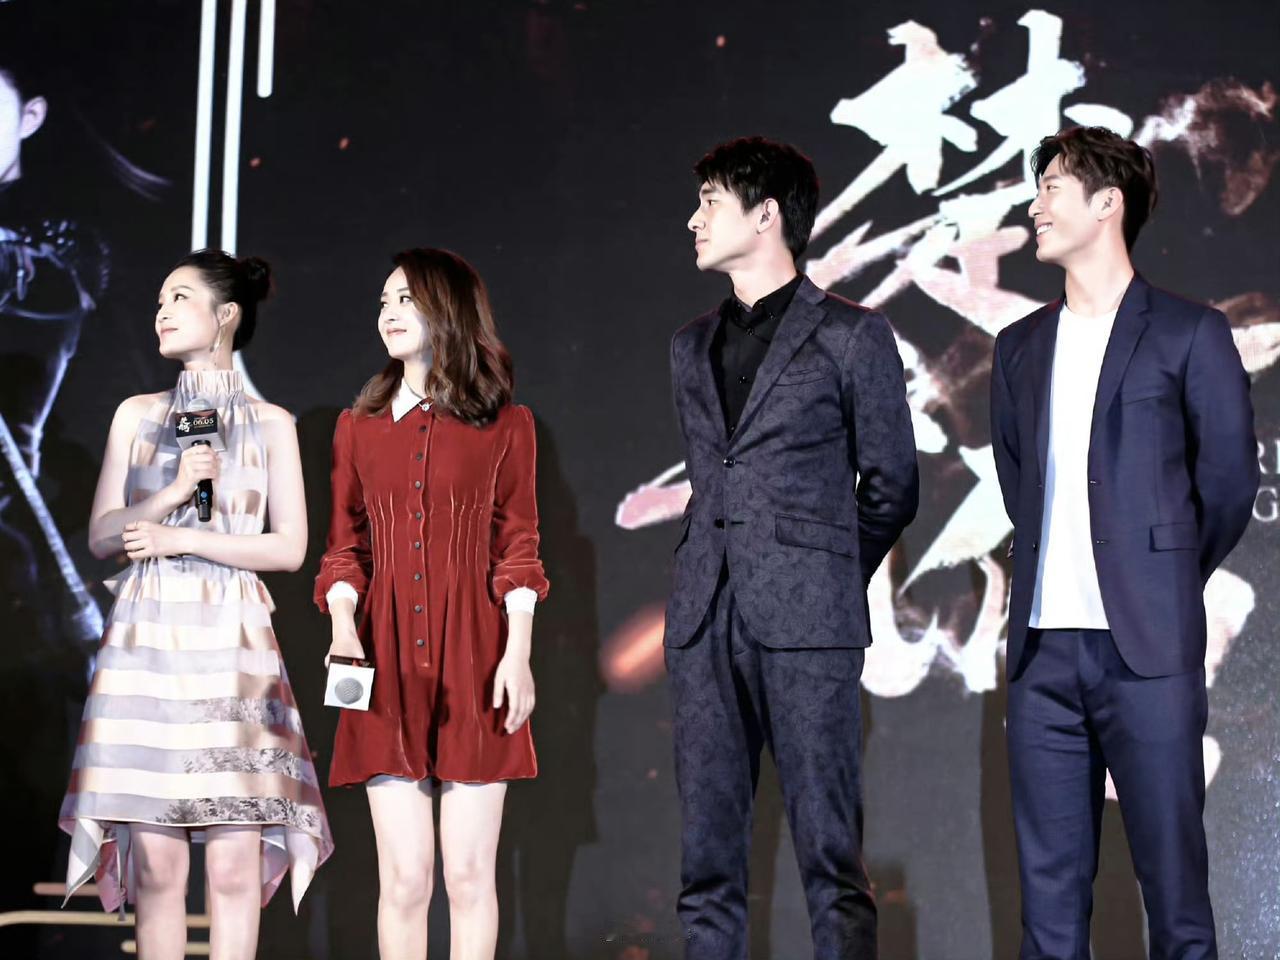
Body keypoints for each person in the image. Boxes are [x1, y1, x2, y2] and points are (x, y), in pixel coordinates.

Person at [989, 126, 1259, 959]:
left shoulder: (1189, 332)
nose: (1035, 207)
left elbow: (1227, 486)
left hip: (1146, 652)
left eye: (1052, 188)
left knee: (1175, 898)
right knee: (1048, 909)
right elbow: (1018, 482)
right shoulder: (1019, 346)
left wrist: (1159, 576)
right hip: (1042, 657)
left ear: (1107, 203)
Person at [664, 136, 919, 959]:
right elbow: (714, 478)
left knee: (830, 857)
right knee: (707, 862)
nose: (694, 219)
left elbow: (893, 486)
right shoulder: (688, 346)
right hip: (704, 617)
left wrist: (825, 574)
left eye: (711, 201)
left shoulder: (851, 336)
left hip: (811, 622)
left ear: (766, 215)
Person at [58, 250, 332, 960]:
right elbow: (102, 534)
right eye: (159, 301)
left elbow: (289, 547)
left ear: (226, 315)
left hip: (231, 645)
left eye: (179, 297)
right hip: (148, 643)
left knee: (235, 866)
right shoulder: (136, 414)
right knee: (157, 870)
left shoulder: (272, 423)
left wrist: (184, 537)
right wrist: (173, 495)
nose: (162, 312)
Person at [315, 247, 548, 960]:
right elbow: (344, 546)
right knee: (405, 880)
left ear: (448, 310)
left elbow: (519, 546)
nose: (388, 313)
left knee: (470, 876)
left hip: (477, 657)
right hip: (382, 662)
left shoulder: (507, 425)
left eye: (406, 300)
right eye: (384, 301)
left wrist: (517, 654)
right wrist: (345, 626)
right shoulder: (357, 426)